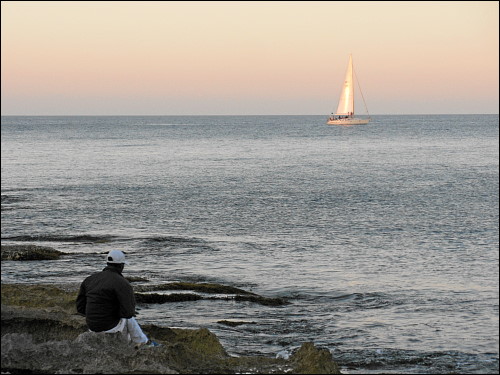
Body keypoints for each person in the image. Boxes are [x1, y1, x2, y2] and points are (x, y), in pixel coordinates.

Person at [76, 249, 159, 347]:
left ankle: (142, 341)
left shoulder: (89, 280)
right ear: (121, 266)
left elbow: (80, 308)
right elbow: (128, 313)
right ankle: (144, 343)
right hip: (110, 328)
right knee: (130, 319)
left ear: (107, 263)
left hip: (92, 326)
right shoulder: (123, 283)